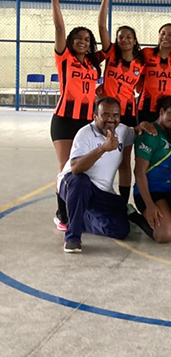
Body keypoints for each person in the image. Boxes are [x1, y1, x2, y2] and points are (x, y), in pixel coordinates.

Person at [57, 97, 151, 252]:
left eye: (115, 115)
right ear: (95, 116)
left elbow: (135, 131)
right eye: (105, 114)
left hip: (102, 191)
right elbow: (75, 168)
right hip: (74, 185)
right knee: (80, 181)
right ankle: (72, 238)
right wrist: (102, 149)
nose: (111, 119)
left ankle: (82, 219)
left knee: (120, 230)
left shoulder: (122, 131)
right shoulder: (85, 134)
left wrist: (141, 126)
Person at [49, 0, 102, 231]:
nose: (83, 41)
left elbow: (109, 46)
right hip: (64, 120)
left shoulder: (92, 65)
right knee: (66, 168)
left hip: (86, 122)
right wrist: (55, 1)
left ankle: (79, 208)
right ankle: (62, 214)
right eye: (79, 38)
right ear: (71, 41)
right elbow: (59, 28)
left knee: (83, 168)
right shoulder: (65, 59)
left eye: (87, 39)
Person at [95, 0, 145, 202]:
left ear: (134, 41)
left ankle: (124, 203)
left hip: (127, 114)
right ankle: (98, 194)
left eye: (128, 37)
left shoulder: (141, 63)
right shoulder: (111, 54)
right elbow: (102, 27)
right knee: (101, 154)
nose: (124, 40)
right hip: (105, 112)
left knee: (124, 160)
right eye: (120, 36)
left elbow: (141, 87)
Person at [132, 96, 171, 243]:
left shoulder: (170, 133)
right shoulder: (150, 133)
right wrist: (150, 205)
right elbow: (139, 173)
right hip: (153, 193)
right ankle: (134, 216)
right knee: (165, 235)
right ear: (161, 111)